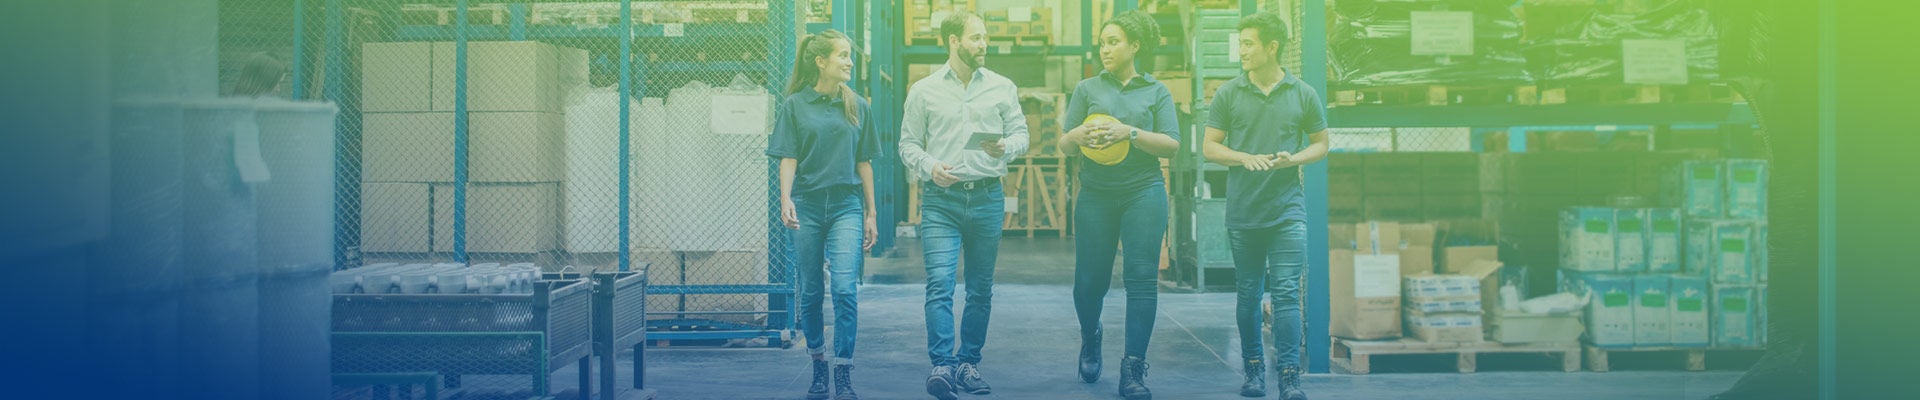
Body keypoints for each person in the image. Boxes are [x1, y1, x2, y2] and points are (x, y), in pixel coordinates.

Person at [898, 11, 1029, 400]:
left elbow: (1022, 134)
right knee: (939, 284)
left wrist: (1007, 145)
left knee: (980, 289)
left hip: (988, 196)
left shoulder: (1003, 87)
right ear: (953, 41)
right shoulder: (924, 91)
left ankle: (969, 362)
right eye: (975, 38)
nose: (983, 44)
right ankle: (942, 366)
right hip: (941, 200)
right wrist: (929, 166)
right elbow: (908, 144)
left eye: (985, 38)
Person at [1200, 12, 1328, 400]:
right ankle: (1253, 370)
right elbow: (1210, 147)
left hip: (1288, 210)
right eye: (1240, 43)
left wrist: (1296, 159)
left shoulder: (1302, 92)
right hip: (1244, 211)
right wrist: (1242, 158)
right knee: (1248, 292)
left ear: (1272, 47)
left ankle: (1290, 375)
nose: (1242, 51)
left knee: (1287, 291)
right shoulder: (1228, 93)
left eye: (1248, 43)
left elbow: (1321, 143)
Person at [1060, 10, 1181, 400]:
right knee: (1088, 282)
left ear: (1135, 45)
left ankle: (1133, 368)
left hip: (1143, 191)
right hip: (1095, 193)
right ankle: (1091, 334)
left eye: (1113, 42)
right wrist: (1076, 134)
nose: (1105, 49)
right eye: (1102, 43)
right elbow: (1063, 144)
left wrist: (1129, 131)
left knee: (1141, 279)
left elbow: (1172, 144)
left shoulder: (1156, 91)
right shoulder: (1087, 88)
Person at [767, 29, 881, 400]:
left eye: (849, 56)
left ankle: (844, 370)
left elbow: (864, 162)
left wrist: (871, 213)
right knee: (811, 290)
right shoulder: (795, 105)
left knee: (846, 289)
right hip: (808, 206)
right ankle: (818, 367)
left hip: (847, 205)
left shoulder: (858, 105)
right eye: (843, 55)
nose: (849, 62)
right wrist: (785, 198)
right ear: (821, 62)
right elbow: (788, 157)